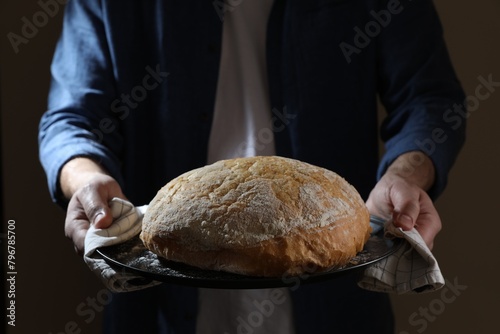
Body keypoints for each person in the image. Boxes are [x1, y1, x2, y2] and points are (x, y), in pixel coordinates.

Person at [38, 0, 466, 333]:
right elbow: (71, 119)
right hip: (162, 306)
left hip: (334, 303)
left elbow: (429, 99)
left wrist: (404, 176)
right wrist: (86, 179)